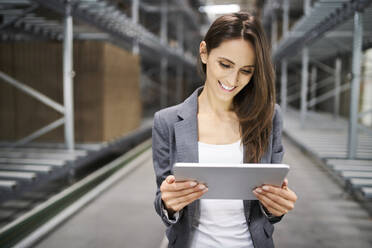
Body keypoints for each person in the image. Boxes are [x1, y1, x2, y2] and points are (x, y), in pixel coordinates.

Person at [152, 11, 298, 248]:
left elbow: (269, 208)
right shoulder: (167, 122)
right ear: (204, 52)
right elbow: (163, 200)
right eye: (225, 64)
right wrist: (169, 203)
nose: (232, 79)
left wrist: (276, 207)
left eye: (246, 70)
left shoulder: (269, 117)